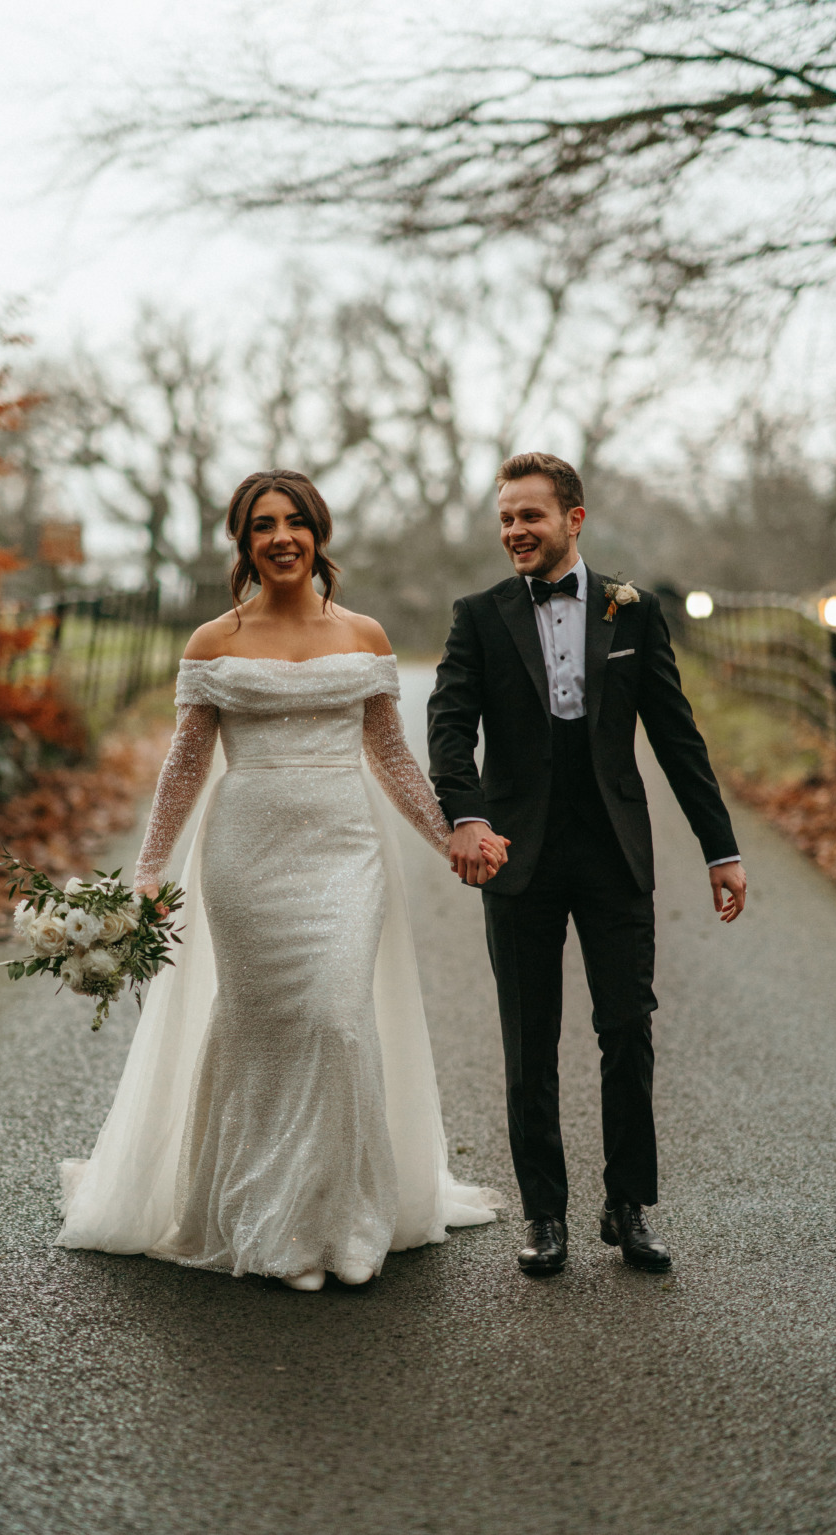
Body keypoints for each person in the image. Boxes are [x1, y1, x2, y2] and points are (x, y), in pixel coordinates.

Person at [57, 469, 502, 1290]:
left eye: (295, 521)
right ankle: (271, 1224)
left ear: (318, 533)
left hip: (344, 850)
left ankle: (342, 1217)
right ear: (243, 541)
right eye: (263, 524)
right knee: (264, 1027)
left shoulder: (365, 635)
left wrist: (449, 836)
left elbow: (392, 755)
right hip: (246, 856)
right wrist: (150, 867)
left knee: (336, 1018)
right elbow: (184, 767)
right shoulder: (213, 642)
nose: (280, 536)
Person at [427, 452, 746, 1276]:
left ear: (573, 519)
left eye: (529, 516)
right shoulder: (479, 615)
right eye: (505, 518)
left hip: (613, 851)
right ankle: (544, 1215)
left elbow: (676, 734)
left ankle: (628, 1205)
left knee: (627, 1031)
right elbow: (449, 727)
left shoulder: (630, 611)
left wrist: (721, 847)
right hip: (517, 854)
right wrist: (465, 816)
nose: (514, 531)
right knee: (530, 1043)